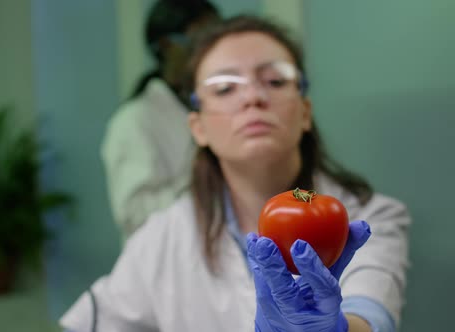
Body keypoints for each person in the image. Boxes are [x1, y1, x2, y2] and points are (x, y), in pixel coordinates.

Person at [62, 15, 411, 332]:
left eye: (274, 80)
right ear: (198, 128)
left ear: (305, 112)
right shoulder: (162, 238)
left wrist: (336, 330)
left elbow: (372, 315)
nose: (253, 97)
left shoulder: (368, 216)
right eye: (225, 88)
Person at [101, 0, 220, 236]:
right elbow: (134, 214)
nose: (212, 52)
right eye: (201, 40)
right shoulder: (134, 120)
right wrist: (208, 179)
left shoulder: (213, 105)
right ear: (167, 46)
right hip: (168, 260)